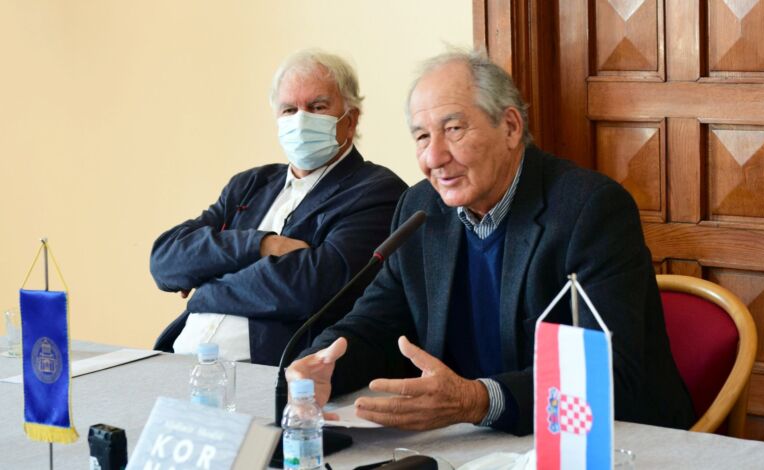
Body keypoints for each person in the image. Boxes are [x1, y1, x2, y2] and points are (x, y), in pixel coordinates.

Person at [287, 50, 695, 436]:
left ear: (511, 128)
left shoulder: (589, 210)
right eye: (422, 137)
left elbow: (609, 374)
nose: (434, 157)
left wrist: (477, 401)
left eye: (453, 129)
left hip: (599, 441)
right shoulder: (420, 209)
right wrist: (322, 364)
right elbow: (375, 325)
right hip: (472, 441)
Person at [150, 50, 407, 366]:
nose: (300, 120)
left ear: (350, 120)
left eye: (317, 107)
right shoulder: (250, 184)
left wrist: (205, 287)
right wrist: (262, 245)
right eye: (289, 109)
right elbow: (166, 260)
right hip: (177, 359)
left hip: (270, 371)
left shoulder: (376, 190)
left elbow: (311, 287)